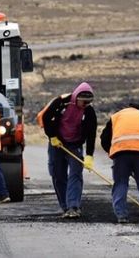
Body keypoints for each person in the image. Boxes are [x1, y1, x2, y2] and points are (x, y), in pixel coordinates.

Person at [41, 82, 97, 219]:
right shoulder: (61, 103)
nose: (86, 105)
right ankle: (65, 206)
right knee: (58, 174)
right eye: (84, 102)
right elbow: (46, 117)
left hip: (75, 145)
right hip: (58, 143)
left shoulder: (89, 111)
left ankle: (73, 206)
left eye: (89, 102)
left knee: (75, 174)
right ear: (76, 97)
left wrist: (89, 155)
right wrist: (52, 137)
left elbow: (91, 134)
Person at [100, 103, 139, 224]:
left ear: (127, 108)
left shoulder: (116, 117)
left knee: (121, 183)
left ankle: (121, 216)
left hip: (121, 155)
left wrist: (112, 152)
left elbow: (104, 138)